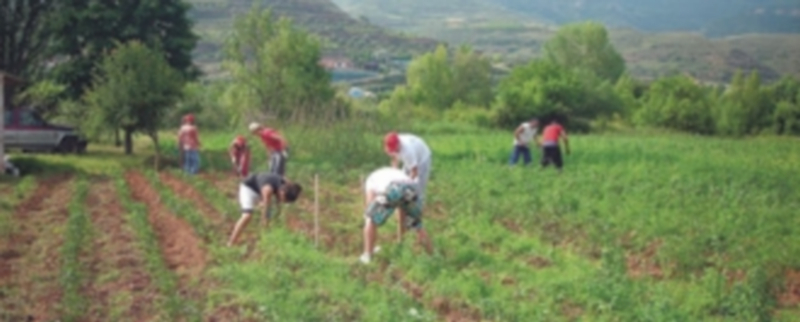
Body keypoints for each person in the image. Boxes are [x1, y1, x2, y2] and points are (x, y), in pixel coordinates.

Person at [360, 167, 433, 264]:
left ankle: (368, 254)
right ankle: (431, 255)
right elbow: (401, 209)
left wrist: (369, 215)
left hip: (394, 187)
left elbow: (370, 206)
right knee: (416, 225)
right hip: (410, 189)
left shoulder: (370, 182)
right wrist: (401, 238)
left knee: (370, 218)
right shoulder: (389, 173)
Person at [227, 172, 303, 246]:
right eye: (283, 200)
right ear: (282, 193)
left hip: (259, 190)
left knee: (267, 206)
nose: (282, 201)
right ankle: (231, 242)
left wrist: (277, 215)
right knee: (247, 216)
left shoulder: (286, 184)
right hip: (248, 189)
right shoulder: (268, 190)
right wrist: (265, 222)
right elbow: (265, 213)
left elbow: (278, 204)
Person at [383, 132, 432, 204]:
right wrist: (394, 173)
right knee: (402, 177)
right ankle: (403, 200)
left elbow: (415, 172)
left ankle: (418, 204)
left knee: (418, 187)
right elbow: (394, 157)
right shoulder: (393, 144)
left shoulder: (407, 151)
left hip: (422, 159)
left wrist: (406, 184)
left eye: (394, 149)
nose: (392, 151)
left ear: (398, 145)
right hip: (412, 155)